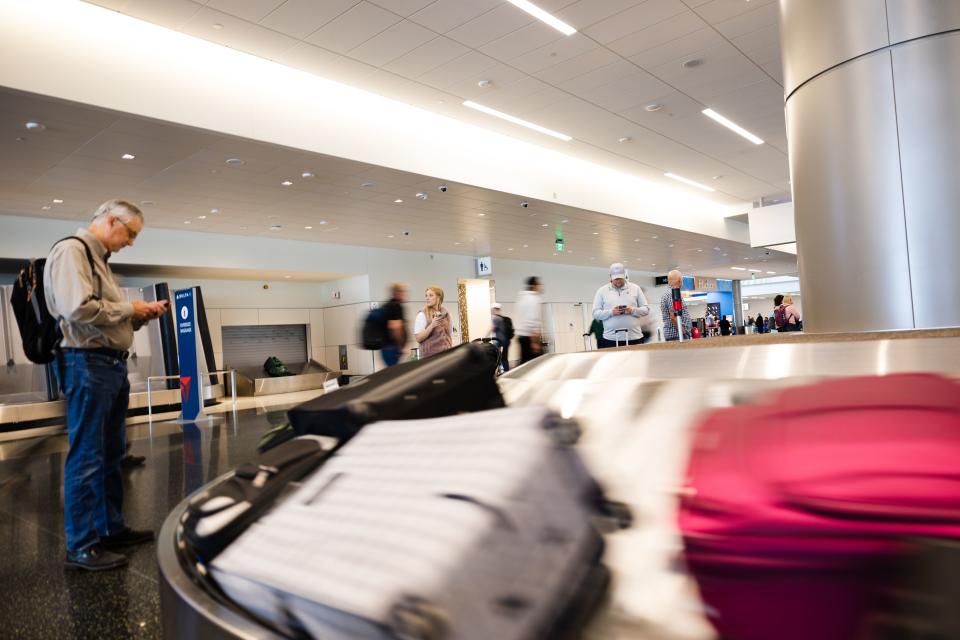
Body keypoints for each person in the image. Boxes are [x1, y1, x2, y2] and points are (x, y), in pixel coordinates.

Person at [44, 199, 170, 571]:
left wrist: (140, 316)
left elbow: (106, 318)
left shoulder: (100, 261)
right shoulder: (73, 251)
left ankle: (110, 529)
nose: (131, 242)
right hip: (87, 364)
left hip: (108, 365)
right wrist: (131, 310)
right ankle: (82, 546)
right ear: (112, 220)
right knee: (87, 455)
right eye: (130, 234)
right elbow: (77, 309)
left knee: (112, 453)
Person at [591, 263, 650, 348]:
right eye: (616, 279)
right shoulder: (601, 291)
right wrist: (611, 312)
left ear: (624, 276)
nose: (618, 281)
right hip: (610, 339)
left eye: (620, 278)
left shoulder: (635, 288)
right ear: (610, 276)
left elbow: (646, 309)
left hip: (634, 338)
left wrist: (632, 310)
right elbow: (595, 313)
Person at [414, 286, 452, 359]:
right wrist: (432, 325)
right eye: (426, 296)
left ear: (439, 298)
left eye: (431, 295)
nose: (427, 298)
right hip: (430, 358)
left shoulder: (447, 314)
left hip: (446, 356)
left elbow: (449, 335)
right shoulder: (422, 314)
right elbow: (418, 338)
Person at [515, 276, 544, 364]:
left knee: (524, 363)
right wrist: (535, 342)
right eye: (539, 284)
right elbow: (532, 321)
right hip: (529, 337)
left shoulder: (521, 299)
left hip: (521, 336)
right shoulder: (534, 299)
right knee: (538, 363)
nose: (541, 286)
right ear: (534, 286)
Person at [659, 270, 693, 341]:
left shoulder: (670, 294)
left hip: (677, 335)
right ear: (680, 280)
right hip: (678, 335)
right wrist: (683, 332)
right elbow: (673, 316)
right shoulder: (672, 294)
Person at [380, 283, 408, 366]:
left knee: (391, 371)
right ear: (397, 293)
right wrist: (401, 346)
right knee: (394, 372)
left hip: (385, 347)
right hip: (392, 347)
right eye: (403, 292)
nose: (404, 294)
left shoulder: (386, 305)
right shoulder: (396, 306)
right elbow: (395, 327)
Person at [490, 303, 513, 372]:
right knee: (504, 357)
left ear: (494, 309)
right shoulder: (502, 318)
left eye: (492, 309)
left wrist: (484, 337)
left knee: (494, 355)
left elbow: (492, 329)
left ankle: (500, 368)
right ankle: (506, 370)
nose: (491, 311)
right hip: (507, 340)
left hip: (499, 340)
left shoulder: (496, 318)